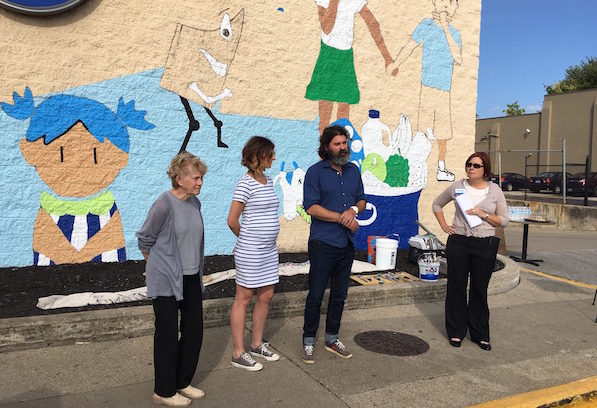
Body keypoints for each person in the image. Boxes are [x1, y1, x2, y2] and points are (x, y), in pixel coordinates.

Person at [137, 152, 207, 407]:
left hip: (191, 278)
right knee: (166, 336)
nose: (200, 182)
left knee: (194, 332)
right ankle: (163, 391)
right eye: (196, 178)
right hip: (166, 279)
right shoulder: (164, 204)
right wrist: (155, 265)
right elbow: (145, 238)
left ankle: (182, 381)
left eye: (201, 178)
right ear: (179, 179)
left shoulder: (194, 203)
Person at [301, 125, 366, 363]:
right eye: (337, 144)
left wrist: (352, 210)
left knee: (340, 295)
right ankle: (308, 340)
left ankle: (331, 338)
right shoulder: (315, 172)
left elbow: (362, 200)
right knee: (316, 294)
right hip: (323, 242)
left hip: (347, 243)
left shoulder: (353, 171)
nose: (342, 148)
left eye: (344, 143)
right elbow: (311, 207)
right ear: (327, 147)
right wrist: (341, 217)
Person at [432, 152, 508, 351]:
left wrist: (483, 214)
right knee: (456, 287)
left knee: (478, 289)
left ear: (485, 170)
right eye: (469, 164)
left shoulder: (495, 191)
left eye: (476, 165)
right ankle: (456, 331)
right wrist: (444, 225)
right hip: (459, 243)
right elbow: (437, 204)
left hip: (484, 244)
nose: (471, 168)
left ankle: (480, 333)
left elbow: (504, 220)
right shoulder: (458, 186)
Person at [387, 0, 462, 182]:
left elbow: (458, 58)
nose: (446, 6)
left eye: (451, 3)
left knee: (443, 133)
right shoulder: (426, 25)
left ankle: (441, 168)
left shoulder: (454, 33)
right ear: (435, 3)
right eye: (443, 1)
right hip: (427, 86)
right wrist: (396, 64)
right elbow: (411, 45)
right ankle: (417, 164)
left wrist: (445, 27)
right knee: (424, 131)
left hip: (444, 89)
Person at [227, 136, 281, 371]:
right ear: (259, 155)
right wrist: (247, 241)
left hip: (269, 251)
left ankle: (257, 343)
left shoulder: (267, 181)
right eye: (270, 154)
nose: (274, 158)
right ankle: (239, 353)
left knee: (266, 295)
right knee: (244, 298)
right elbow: (232, 220)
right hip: (251, 252)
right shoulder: (245, 183)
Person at [305, 0, 393, 134]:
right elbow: (327, 29)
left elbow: (372, 24)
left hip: (346, 56)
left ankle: (341, 150)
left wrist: (387, 57)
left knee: (344, 113)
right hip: (328, 55)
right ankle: (325, 153)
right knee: (325, 113)